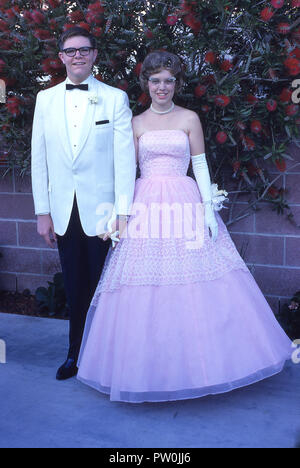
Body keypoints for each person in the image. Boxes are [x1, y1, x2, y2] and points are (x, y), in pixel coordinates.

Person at [77, 51, 292, 403]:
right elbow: (125, 172)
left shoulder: (190, 118)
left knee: (199, 283)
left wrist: (208, 210)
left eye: (169, 80)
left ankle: (204, 367)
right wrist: (120, 214)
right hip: (145, 204)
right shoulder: (135, 123)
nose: (162, 87)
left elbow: (201, 166)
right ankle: (151, 371)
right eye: (156, 80)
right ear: (146, 84)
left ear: (177, 84)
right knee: (144, 286)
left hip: (185, 200)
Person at [31, 27, 136, 380]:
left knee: (105, 287)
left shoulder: (115, 98)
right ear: (61, 56)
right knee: (75, 286)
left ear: (94, 55)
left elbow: (124, 162)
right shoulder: (44, 100)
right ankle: (74, 354)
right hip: (63, 212)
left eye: (84, 50)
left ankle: (106, 358)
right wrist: (42, 212)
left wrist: (123, 213)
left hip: (103, 213)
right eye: (70, 51)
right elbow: (39, 159)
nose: (77, 56)